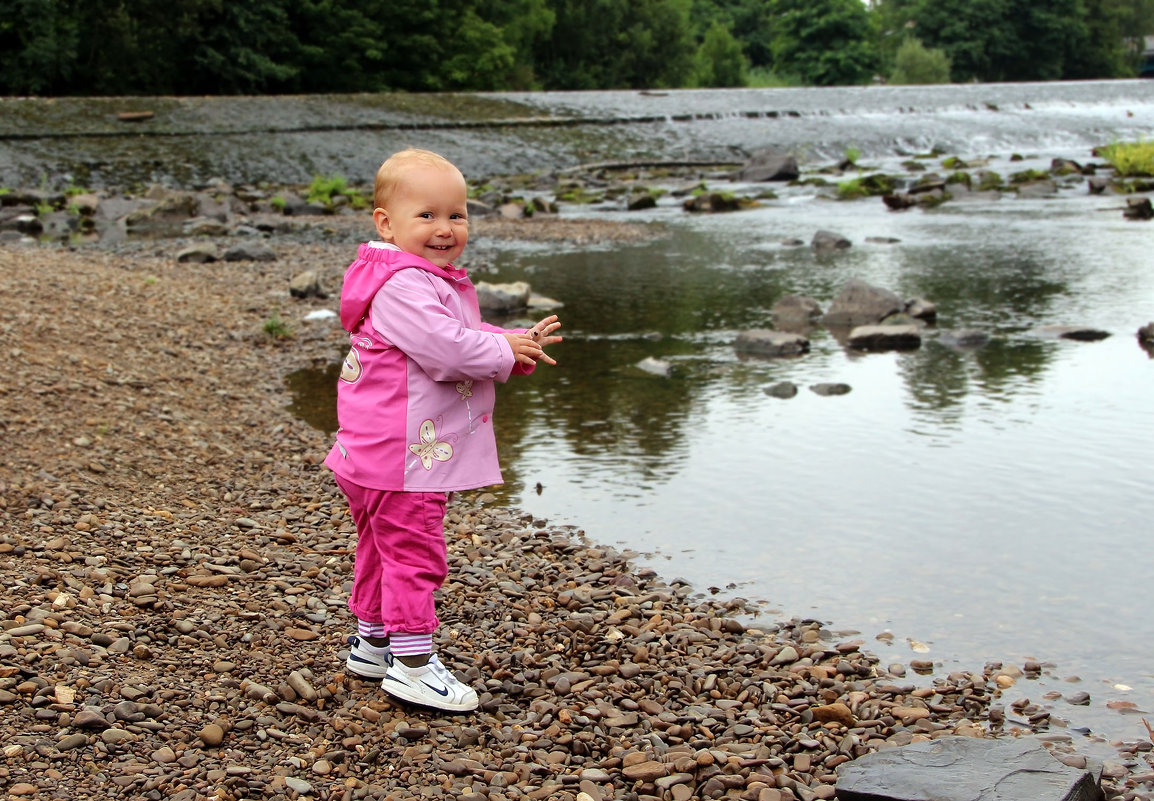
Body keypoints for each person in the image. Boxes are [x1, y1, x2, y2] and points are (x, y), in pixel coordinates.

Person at [324, 148, 561, 713]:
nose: (445, 228)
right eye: (426, 215)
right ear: (386, 222)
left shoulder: (406, 277)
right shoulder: (403, 284)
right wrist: (501, 348)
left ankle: (372, 642)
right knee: (413, 552)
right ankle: (412, 663)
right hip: (404, 456)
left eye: (456, 215)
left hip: (374, 451)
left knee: (382, 548)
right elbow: (448, 348)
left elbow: (459, 329)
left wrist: (509, 340)